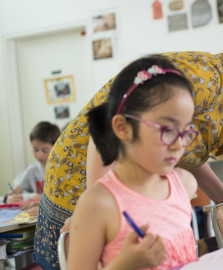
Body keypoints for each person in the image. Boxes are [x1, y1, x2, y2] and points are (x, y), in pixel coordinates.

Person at [34, 28, 223, 269]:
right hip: (81, 185)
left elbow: (186, 151)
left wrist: (219, 193)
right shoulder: (202, 79)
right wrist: (108, 203)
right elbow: (107, 125)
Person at [67, 56, 198, 269]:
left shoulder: (184, 185)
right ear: (122, 127)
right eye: (168, 130)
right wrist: (124, 265)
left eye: (185, 132)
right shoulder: (98, 204)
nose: (178, 145)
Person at [4, 121, 60, 204]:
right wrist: (8, 198)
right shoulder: (32, 171)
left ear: (56, 147)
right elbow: (12, 193)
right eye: (35, 149)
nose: (39, 155)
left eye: (45, 150)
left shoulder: (61, 170)